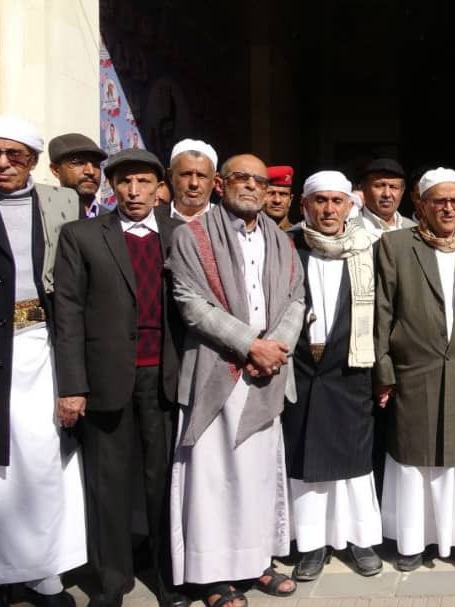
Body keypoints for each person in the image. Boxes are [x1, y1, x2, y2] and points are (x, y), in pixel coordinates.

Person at [165, 154, 304, 607]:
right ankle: (212, 575)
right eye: (241, 178)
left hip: (268, 371)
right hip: (216, 367)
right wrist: (250, 345)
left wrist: (275, 349)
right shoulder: (192, 235)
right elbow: (190, 302)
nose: (251, 186)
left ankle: (256, 561)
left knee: (259, 475)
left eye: (259, 181)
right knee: (213, 478)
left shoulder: (280, 240)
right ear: (221, 185)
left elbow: (297, 300)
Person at [52, 148, 186, 607]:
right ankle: (111, 581)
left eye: (143, 182)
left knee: (163, 480)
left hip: (164, 378)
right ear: (112, 187)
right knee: (107, 482)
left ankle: (168, 579)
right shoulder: (82, 236)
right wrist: (72, 386)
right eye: (125, 182)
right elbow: (68, 312)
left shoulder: (179, 234)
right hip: (106, 377)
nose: (134, 191)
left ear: (158, 187)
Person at [0, 116, 85, 607]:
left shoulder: (60, 203)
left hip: (46, 348)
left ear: (34, 161)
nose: (1, 163)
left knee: (44, 461)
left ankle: (44, 574)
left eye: (13, 154)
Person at [374, 168, 455, 573]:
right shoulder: (395, 246)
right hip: (412, 372)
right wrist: (384, 370)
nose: (447, 208)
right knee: (412, 459)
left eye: (454, 201)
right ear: (421, 205)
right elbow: (382, 312)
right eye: (439, 201)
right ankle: (411, 543)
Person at [281, 171, 383, 580]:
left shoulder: (369, 248)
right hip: (302, 371)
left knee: (355, 461)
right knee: (305, 462)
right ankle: (311, 545)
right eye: (319, 201)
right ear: (305, 205)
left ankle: (361, 540)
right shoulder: (287, 248)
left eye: (336, 201)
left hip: (350, 370)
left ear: (349, 206)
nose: (328, 209)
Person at [48, 133, 107, 218]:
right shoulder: (45, 216)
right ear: (56, 170)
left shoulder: (115, 221)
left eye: (96, 164)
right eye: (79, 163)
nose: (91, 171)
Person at [358, 158, 416, 236]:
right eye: (379, 186)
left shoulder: (413, 230)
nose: (387, 194)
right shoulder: (348, 228)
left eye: (393, 187)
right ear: (364, 188)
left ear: (402, 191)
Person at [168, 139, 218, 222]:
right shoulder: (152, 218)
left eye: (201, 176)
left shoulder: (228, 222)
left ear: (214, 180)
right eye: (186, 174)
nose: (194, 183)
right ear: (170, 176)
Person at [262, 165, 295, 230]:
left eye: (283, 194)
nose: (277, 200)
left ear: (290, 200)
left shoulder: (301, 235)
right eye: (271, 193)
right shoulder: (249, 234)